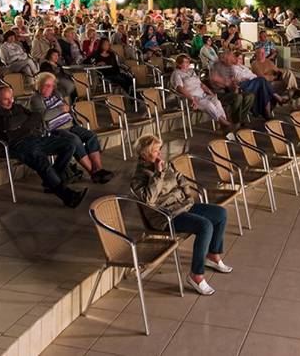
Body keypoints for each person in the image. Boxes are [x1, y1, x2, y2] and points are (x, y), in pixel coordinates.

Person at [129, 134, 231, 295]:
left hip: (183, 206)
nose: (160, 154)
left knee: (220, 213)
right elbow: (149, 199)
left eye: (160, 149)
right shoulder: (138, 178)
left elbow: (179, 178)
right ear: (145, 154)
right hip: (165, 216)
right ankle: (196, 275)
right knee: (205, 226)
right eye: (156, 151)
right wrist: (158, 174)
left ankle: (213, 255)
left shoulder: (164, 164)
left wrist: (188, 196)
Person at [0, 85, 85, 207]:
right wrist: (25, 121)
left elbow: (37, 116)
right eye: (6, 99)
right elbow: (9, 125)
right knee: (41, 161)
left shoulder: (17, 107)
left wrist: (21, 125)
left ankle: (52, 180)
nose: (11, 101)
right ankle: (68, 196)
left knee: (69, 144)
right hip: (15, 146)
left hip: (34, 139)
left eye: (11, 97)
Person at [29, 72, 113, 184]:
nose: (50, 88)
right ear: (39, 85)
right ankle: (93, 173)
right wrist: (60, 109)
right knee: (74, 140)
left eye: (51, 85)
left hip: (70, 125)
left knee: (91, 135)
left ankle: (99, 169)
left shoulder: (56, 93)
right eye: (47, 85)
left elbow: (70, 86)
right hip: (55, 130)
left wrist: (56, 79)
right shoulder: (36, 99)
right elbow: (42, 116)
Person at [211, 50, 280, 119]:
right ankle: (272, 104)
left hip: (252, 82)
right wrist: (232, 82)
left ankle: (266, 113)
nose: (239, 60)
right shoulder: (231, 67)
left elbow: (235, 79)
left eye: (241, 59)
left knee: (262, 85)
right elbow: (231, 80)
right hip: (243, 85)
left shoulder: (243, 67)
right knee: (261, 81)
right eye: (238, 58)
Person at [170, 55, 228, 127]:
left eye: (188, 62)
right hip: (193, 98)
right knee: (209, 105)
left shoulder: (191, 71)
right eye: (186, 62)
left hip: (203, 95)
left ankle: (224, 124)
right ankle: (226, 124)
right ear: (179, 64)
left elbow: (201, 84)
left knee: (217, 102)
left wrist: (210, 92)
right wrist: (191, 99)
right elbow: (180, 88)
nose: (188, 64)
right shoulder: (177, 73)